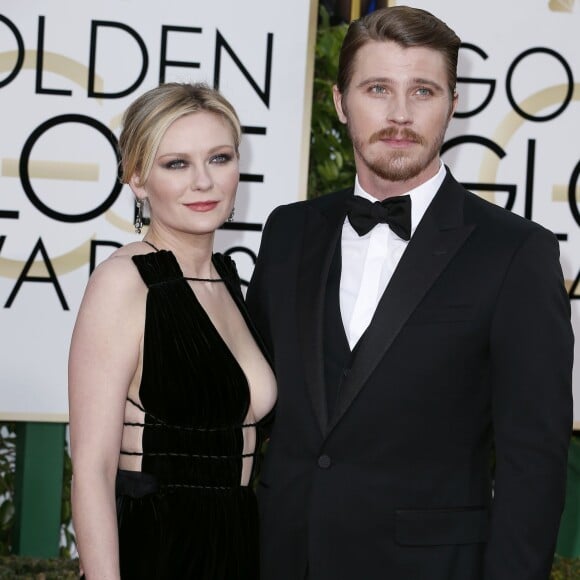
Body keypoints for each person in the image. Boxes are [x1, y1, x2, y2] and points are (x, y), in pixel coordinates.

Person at [246, 6, 573, 580]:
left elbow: (534, 463)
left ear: (452, 102)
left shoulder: (516, 253)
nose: (400, 115)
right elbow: (253, 404)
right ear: (340, 101)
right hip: (282, 557)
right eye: (378, 89)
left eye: (422, 91)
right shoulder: (288, 231)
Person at [68, 82, 276, 579]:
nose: (203, 182)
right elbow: (92, 473)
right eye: (176, 163)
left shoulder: (225, 279)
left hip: (237, 548)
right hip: (157, 550)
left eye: (219, 158)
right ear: (138, 179)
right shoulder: (125, 281)